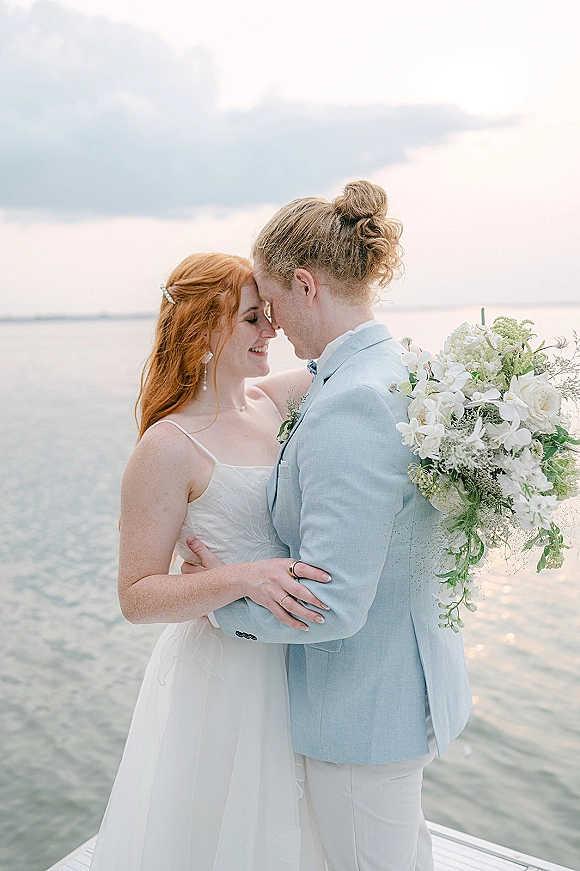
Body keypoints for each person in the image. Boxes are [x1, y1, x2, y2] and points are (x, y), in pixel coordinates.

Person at [183, 180, 472, 871]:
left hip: (364, 714)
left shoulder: (351, 403)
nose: (273, 325)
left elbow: (333, 604)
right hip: (396, 693)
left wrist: (220, 610)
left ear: (306, 285)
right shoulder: (391, 367)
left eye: (273, 303)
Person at [89, 252, 329, 871]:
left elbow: (358, 363)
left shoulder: (275, 403)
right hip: (226, 672)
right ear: (204, 331)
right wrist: (242, 577)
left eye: (269, 315)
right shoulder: (168, 446)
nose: (272, 331)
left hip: (299, 655)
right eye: (253, 318)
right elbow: (136, 596)